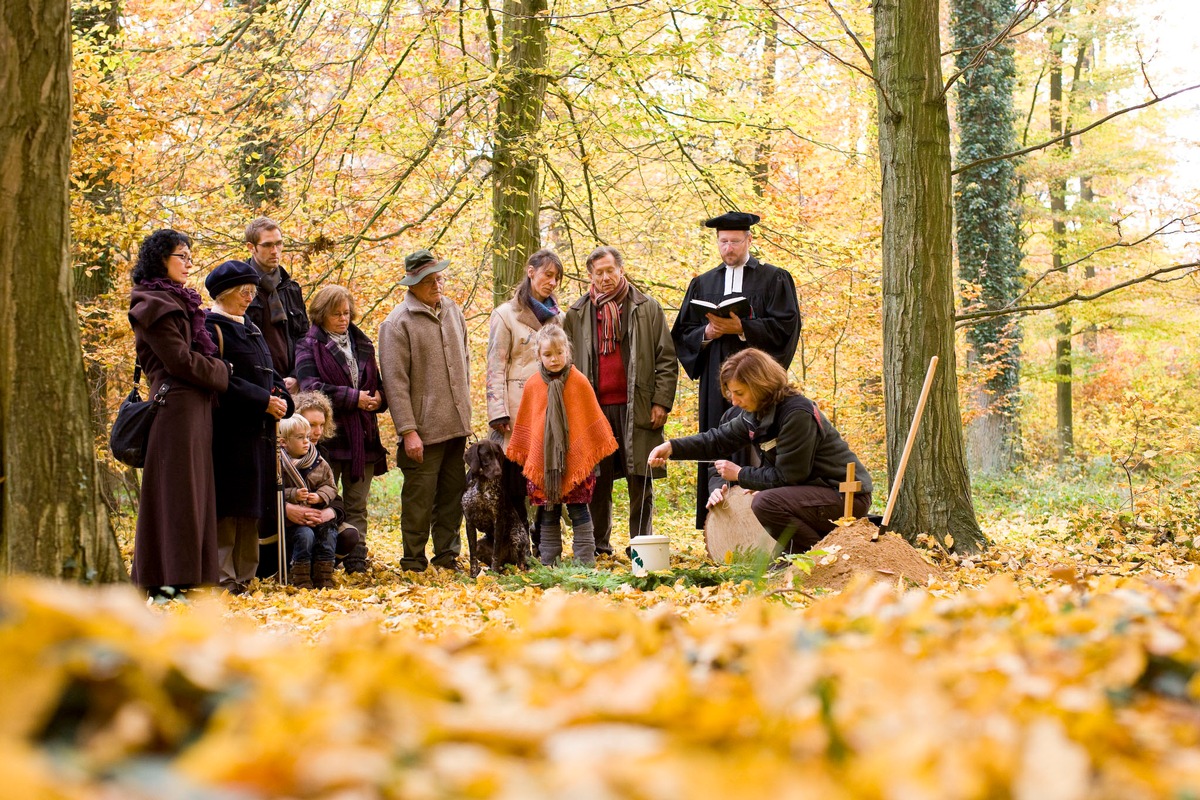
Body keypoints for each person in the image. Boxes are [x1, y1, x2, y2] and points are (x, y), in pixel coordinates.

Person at [647, 348, 871, 556]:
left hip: (843, 496)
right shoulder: (755, 414)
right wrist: (672, 447)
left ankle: (822, 558)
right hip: (813, 495)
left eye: (740, 393)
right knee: (767, 500)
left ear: (759, 385)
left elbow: (789, 476)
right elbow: (716, 440)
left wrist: (740, 474)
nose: (734, 401)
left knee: (766, 503)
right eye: (731, 394)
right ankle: (804, 557)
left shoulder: (796, 413)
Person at [671, 211, 801, 528]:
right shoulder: (703, 284)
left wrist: (742, 328)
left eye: (735, 241)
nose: (728, 248)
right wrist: (707, 334)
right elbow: (681, 335)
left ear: (749, 240)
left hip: (757, 382)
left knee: (758, 440)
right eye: (723, 241)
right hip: (716, 381)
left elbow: (786, 327)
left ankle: (763, 521)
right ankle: (719, 525)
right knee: (718, 437)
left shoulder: (774, 278)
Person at [127, 229, 231, 596]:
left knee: (194, 494)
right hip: (174, 411)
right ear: (160, 259)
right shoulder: (153, 304)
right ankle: (168, 581)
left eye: (190, 256)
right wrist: (223, 372)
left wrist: (213, 370)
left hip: (193, 409)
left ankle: (189, 579)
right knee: (177, 496)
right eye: (181, 256)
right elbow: (179, 361)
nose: (188, 263)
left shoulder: (177, 300)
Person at [563, 246, 677, 555]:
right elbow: (565, 367)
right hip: (594, 409)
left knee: (641, 476)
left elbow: (666, 358)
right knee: (597, 481)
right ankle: (600, 545)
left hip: (637, 406)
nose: (604, 278)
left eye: (609, 270)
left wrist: (661, 402)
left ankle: (640, 546)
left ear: (620, 270)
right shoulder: (576, 314)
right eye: (598, 273)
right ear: (590, 276)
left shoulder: (647, 307)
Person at [378, 249, 473, 572]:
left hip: (456, 425)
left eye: (439, 277)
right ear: (413, 284)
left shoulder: (452, 311)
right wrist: (408, 431)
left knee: (452, 498)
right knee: (419, 500)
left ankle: (447, 556)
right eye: (429, 280)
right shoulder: (396, 323)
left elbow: (465, 363)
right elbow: (394, 383)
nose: (437, 284)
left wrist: (466, 411)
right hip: (422, 430)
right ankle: (413, 561)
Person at [204, 260, 292, 595]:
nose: (249, 298)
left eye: (251, 292)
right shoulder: (211, 329)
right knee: (228, 508)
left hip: (261, 434)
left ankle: (245, 576)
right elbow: (223, 381)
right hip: (228, 434)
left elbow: (271, 375)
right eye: (243, 292)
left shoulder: (253, 329)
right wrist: (262, 401)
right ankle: (224, 577)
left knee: (252, 507)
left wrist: (283, 400)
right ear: (225, 293)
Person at [507, 324, 618, 566]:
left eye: (559, 353)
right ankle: (550, 564)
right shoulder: (533, 385)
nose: (554, 359)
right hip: (544, 465)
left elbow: (591, 421)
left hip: (576, 464)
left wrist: (584, 452)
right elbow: (528, 424)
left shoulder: (578, 382)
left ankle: (584, 563)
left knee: (579, 511)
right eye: (547, 355)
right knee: (548, 512)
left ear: (567, 352)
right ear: (539, 356)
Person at [294, 285, 388, 554]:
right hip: (328, 438)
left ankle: (357, 557)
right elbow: (310, 386)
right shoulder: (308, 345)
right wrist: (353, 397)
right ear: (322, 314)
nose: (343, 319)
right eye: (337, 314)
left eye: (347, 313)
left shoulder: (363, 344)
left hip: (364, 438)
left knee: (358, 504)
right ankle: (323, 556)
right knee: (323, 500)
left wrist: (378, 399)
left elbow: (379, 386)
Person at [485, 248, 565, 544]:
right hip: (516, 412)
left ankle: (545, 542)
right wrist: (497, 412)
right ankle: (515, 544)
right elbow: (495, 365)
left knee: (547, 479)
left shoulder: (559, 318)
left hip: (550, 410)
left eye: (557, 277)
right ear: (531, 272)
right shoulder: (505, 315)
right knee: (516, 480)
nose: (553, 282)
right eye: (548, 274)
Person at [292, 391, 367, 573]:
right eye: (311, 425)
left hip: (316, 517)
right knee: (304, 534)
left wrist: (330, 511)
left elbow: (333, 492)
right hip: (288, 521)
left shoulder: (322, 453)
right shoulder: (280, 452)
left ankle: (322, 569)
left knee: (348, 534)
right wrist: (288, 508)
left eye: (321, 425)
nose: (317, 432)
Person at [243, 217, 308, 391]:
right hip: (256, 385)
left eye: (279, 244)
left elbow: (304, 338)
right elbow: (239, 343)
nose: (275, 251)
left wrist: (297, 376)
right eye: (267, 245)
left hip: (294, 385)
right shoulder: (239, 288)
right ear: (251, 247)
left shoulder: (291, 288)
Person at [277, 415, 339, 589]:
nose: (306, 441)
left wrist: (320, 496)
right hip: (294, 521)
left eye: (307, 436)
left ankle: (324, 575)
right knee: (305, 536)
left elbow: (331, 486)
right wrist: (293, 494)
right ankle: (301, 576)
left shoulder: (319, 462)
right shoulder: (279, 464)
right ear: (284, 442)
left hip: (317, 514)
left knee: (328, 535)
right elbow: (273, 489)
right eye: (300, 438)